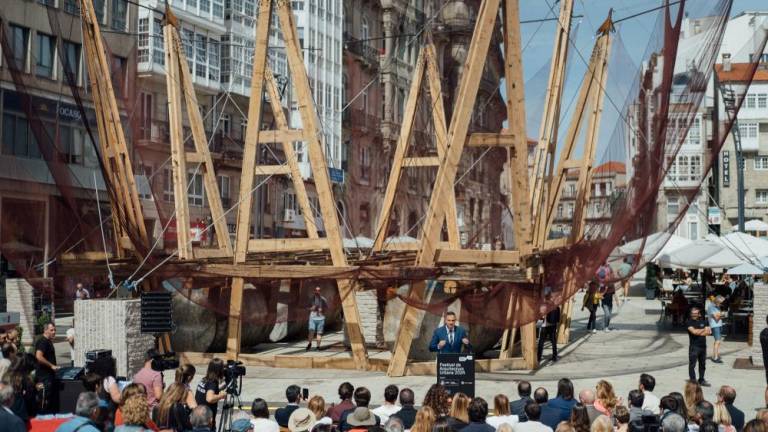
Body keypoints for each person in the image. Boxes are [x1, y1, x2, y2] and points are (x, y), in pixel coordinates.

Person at [194, 359, 227, 430]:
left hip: (199, 417)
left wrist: (220, 389)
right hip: (207, 419)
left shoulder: (205, 379)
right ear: (219, 370)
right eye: (223, 367)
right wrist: (221, 396)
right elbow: (210, 398)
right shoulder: (212, 383)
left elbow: (208, 391)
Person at [35, 322, 58, 414]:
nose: (54, 332)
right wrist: (51, 365)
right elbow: (38, 356)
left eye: (55, 330)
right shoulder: (43, 341)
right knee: (43, 403)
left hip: (48, 377)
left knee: (48, 402)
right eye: (51, 330)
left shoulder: (48, 341)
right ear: (45, 330)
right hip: (43, 377)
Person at [687, 306, 711, 386]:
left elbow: (708, 332)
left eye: (695, 313)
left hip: (703, 347)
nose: (693, 315)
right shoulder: (689, 322)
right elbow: (694, 332)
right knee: (692, 365)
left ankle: (701, 379)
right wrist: (703, 330)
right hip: (694, 347)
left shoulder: (704, 322)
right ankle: (693, 381)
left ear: (699, 314)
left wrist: (699, 331)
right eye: (692, 313)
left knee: (702, 364)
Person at [596, 262, 617, 331]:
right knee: (607, 314)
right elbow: (599, 287)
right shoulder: (601, 274)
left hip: (610, 299)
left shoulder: (611, 282)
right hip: (604, 299)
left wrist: (616, 299)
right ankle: (605, 327)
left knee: (609, 315)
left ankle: (606, 326)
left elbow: (613, 290)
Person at [307, 286, 329, 351]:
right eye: (316, 290)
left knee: (319, 333)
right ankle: (309, 343)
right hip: (312, 318)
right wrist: (311, 308)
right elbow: (306, 307)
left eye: (319, 290)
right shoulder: (311, 299)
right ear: (314, 291)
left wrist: (322, 310)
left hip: (321, 318)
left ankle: (318, 347)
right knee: (311, 332)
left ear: (320, 291)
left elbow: (327, 308)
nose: (317, 292)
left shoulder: (323, 299)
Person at [707, 296, 725, 363]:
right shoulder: (711, 307)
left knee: (717, 341)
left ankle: (715, 355)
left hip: (719, 325)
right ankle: (715, 357)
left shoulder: (717, 306)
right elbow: (716, 318)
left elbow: (718, 316)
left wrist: (720, 315)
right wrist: (722, 314)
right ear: (717, 301)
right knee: (717, 341)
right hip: (715, 325)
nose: (721, 304)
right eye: (720, 303)